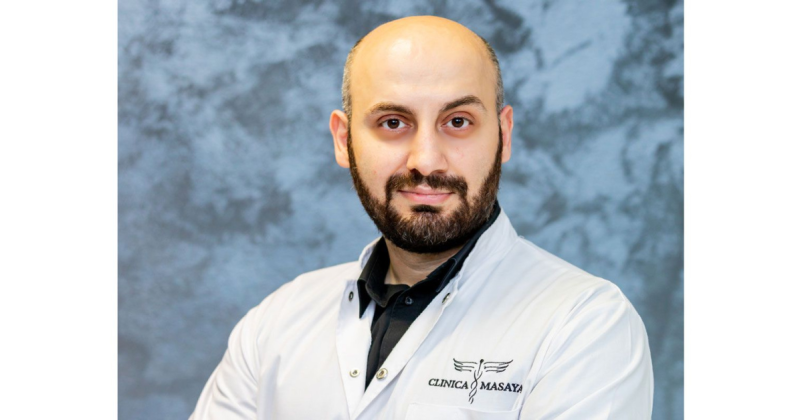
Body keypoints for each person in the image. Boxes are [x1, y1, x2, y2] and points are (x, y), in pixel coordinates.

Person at [191, 16, 653, 420]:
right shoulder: (276, 322)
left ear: (504, 135)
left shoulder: (585, 325)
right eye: (393, 122)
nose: (427, 160)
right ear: (344, 140)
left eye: (458, 122)